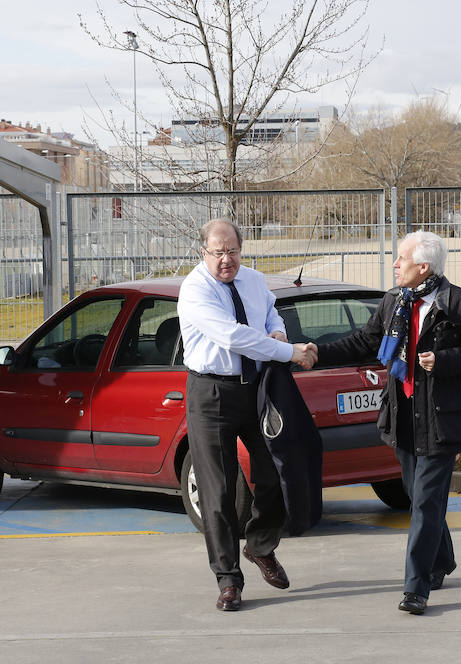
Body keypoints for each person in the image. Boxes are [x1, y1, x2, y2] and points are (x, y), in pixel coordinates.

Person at [315, 230, 461, 615]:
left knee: (425, 504)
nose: (395, 265)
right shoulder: (394, 302)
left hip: (442, 421)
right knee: (419, 498)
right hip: (403, 417)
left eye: (402, 259)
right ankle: (441, 560)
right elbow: (364, 343)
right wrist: (317, 353)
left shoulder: (460, 304)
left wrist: (444, 360)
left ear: (423, 266)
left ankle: (416, 588)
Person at [177, 218, 317, 612]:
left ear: (242, 249)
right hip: (211, 392)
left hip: (255, 389)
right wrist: (289, 353)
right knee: (218, 491)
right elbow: (233, 335)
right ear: (203, 252)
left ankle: (260, 546)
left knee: (275, 470)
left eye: (233, 251)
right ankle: (228, 579)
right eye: (218, 252)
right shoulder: (195, 289)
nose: (226, 259)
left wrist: (279, 333)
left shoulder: (253, 281)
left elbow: (271, 314)